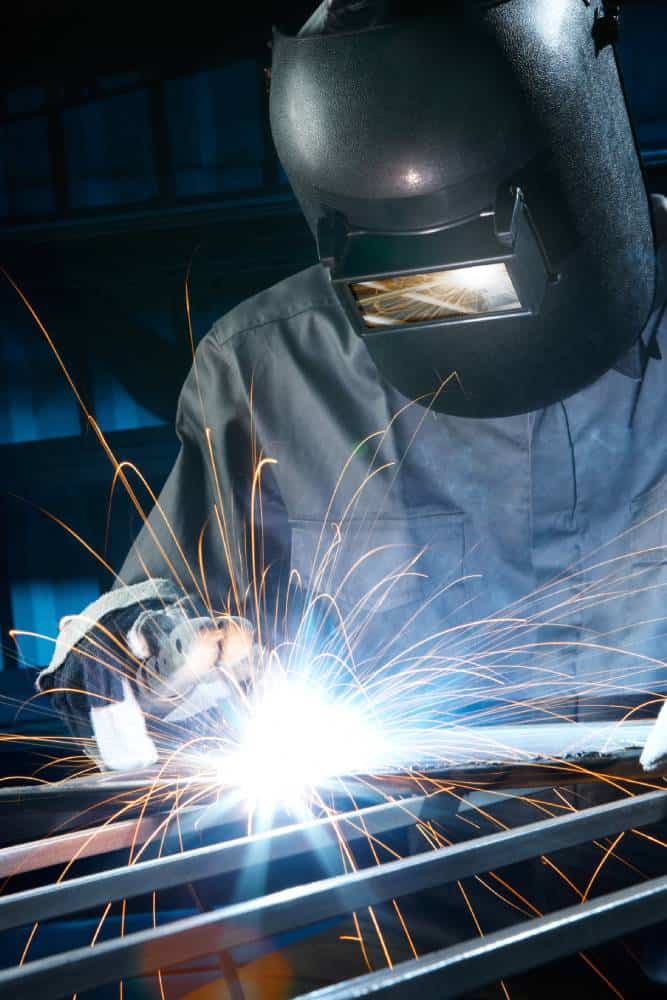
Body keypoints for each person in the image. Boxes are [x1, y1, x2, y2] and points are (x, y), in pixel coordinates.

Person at [37, 0, 666, 771]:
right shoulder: (267, 370)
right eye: (407, 278)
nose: (449, 296)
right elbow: (168, 615)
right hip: (420, 876)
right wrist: (135, 655)